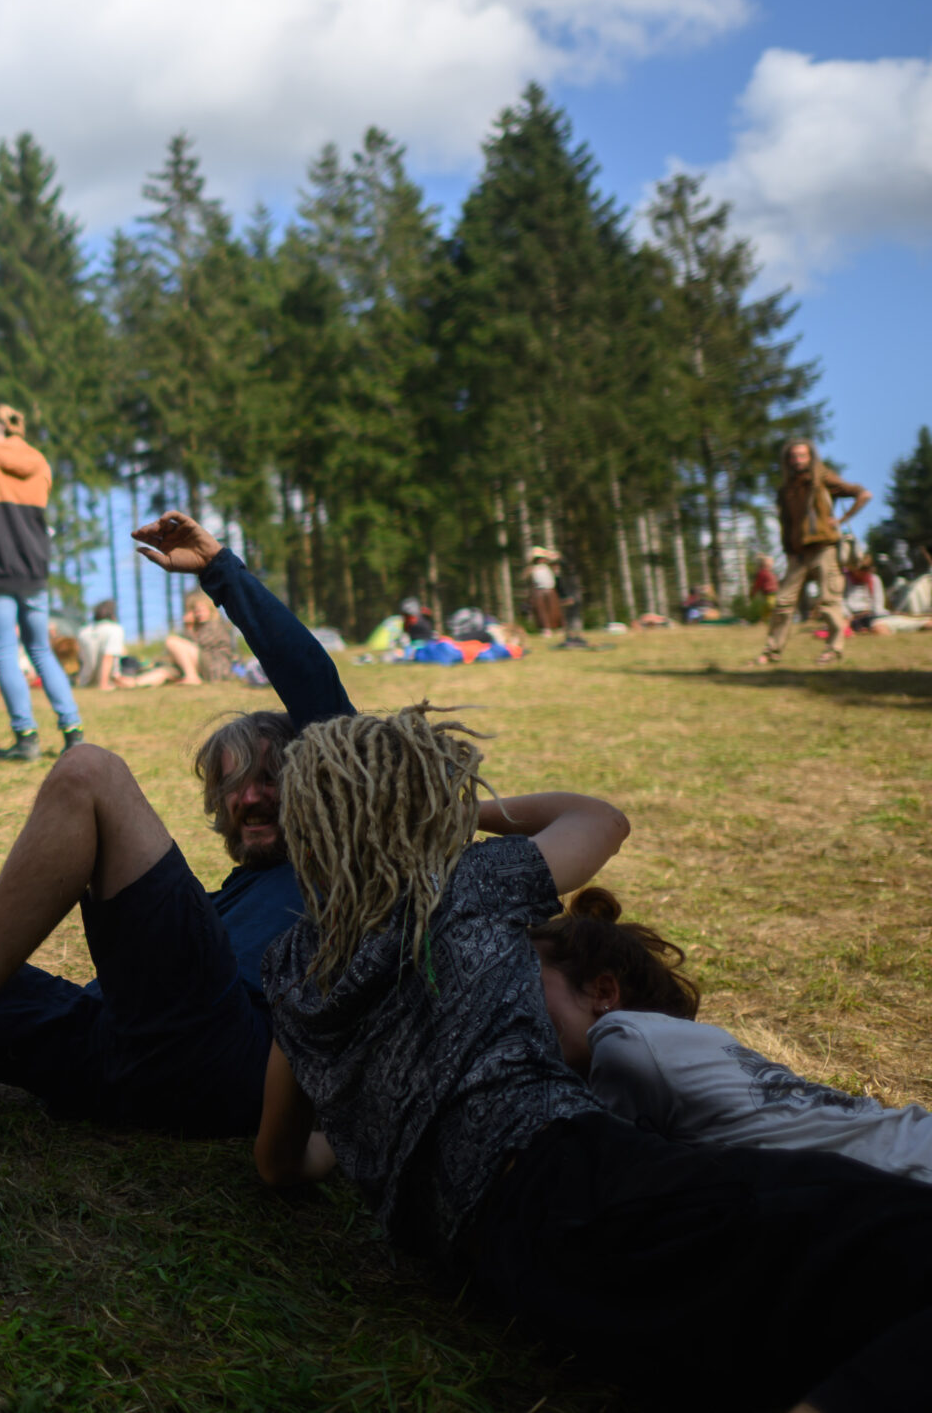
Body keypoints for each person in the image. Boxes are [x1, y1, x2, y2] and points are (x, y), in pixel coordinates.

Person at [253, 718, 932, 1413]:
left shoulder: (291, 976)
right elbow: (601, 820)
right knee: (897, 1237)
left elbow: (279, 1161)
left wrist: (374, 1130)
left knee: (793, 1327)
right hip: (578, 1169)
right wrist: (463, 813)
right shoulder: (462, 886)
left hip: (496, 1266)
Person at [0, 512, 348, 1145]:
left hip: (223, 1058)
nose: (251, 799)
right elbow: (132, 983)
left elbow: (321, 700)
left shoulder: (336, 862)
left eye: (270, 780)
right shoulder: (226, 903)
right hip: (111, 1056)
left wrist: (219, 572)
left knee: (87, 770)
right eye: (234, 788)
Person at [530, 886, 932, 1184]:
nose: (512, 1003)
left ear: (603, 991)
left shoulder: (625, 1037)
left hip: (902, 1177)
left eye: (527, 982)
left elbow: (599, 1170)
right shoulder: (690, 1041)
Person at [0, 404, 81, 760]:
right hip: (33, 568)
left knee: (6, 651)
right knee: (40, 648)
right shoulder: (40, 463)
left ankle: (26, 738)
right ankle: (73, 731)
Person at [760, 439, 871, 666]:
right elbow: (786, 523)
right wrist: (788, 549)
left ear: (811, 457)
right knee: (782, 603)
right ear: (787, 460)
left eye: (802, 456)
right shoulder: (787, 488)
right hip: (798, 554)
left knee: (830, 603)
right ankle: (772, 652)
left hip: (824, 550)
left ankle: (833, 650)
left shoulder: (823, 479)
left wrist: (842, 519)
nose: (798, 460)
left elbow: (863, 494)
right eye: (793, 456)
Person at [73, 599, 126, 692]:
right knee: (159, 673)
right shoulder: (115, 629)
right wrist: (103, 684)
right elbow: (108, 657)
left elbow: (80, 659)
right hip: (110, 681)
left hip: (85, 681)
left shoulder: (83, 632)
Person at [524, 547, 564, 633]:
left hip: (550, 589)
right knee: (541, 611)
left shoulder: (549, 566)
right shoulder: (532, 569)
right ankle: (546, 628)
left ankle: (557, 627)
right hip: (538, 591)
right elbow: (526, 578)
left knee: (554, 609)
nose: (540, 560)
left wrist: (548, 554)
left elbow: (557, 556)